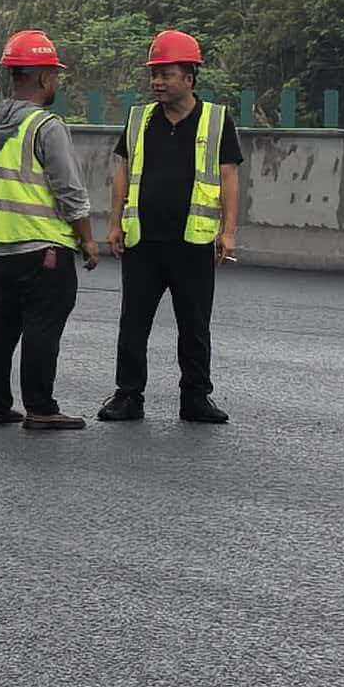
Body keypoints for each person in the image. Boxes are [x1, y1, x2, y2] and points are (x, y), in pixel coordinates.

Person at [100, 28, 241, 424]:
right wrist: (114, 224)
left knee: (194, 326)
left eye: (167, 73)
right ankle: (128, 395)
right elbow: (122, 172)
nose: (157, 82)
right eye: (154, 74)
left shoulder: (216, 120)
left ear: (190, 78)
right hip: (143, 240)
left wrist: (228, 232)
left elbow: (229, 176)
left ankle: (195, 398)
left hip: (193, 241)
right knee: (133, 322)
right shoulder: (138, 119)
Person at [0, 28, 101, 428]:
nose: (57, 82)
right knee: (43, 326)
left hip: (2, 249)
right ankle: (41, 409)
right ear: (43, 77)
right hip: (45, 248)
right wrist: (87, 240)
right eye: (55, 75)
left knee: (1, 325)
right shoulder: (46, 127)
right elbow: (69, 190)